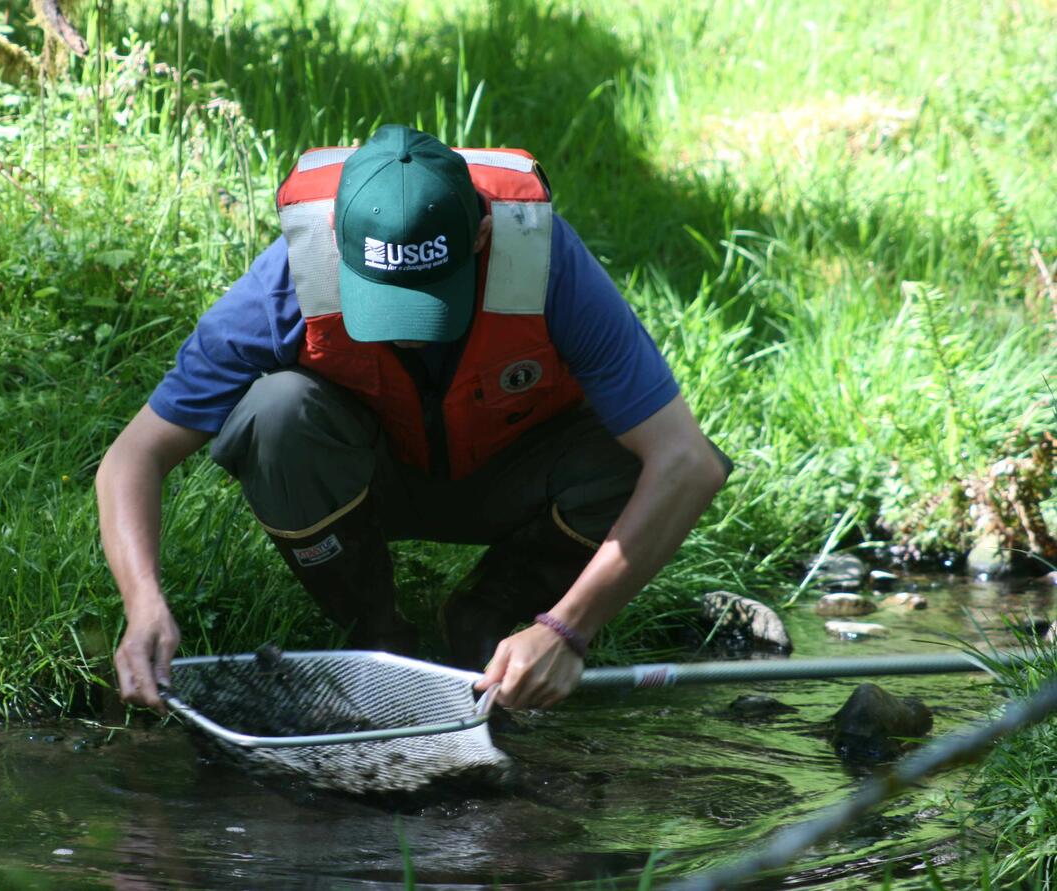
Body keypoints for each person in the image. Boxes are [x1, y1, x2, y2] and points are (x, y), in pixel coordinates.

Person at [96, 124, 731, 714]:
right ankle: (377, 633)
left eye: (430, 301)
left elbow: (689, 463)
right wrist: (143, 602)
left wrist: (568, 628)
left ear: (482, 237)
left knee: (637, 453)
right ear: (342, 251)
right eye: (382, 301)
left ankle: (491, 617)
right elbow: (133, 456)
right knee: (274, 411)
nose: (406, 337)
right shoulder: (292, 273)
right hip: (376, 479)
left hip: (516, 478)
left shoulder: (543, 262)